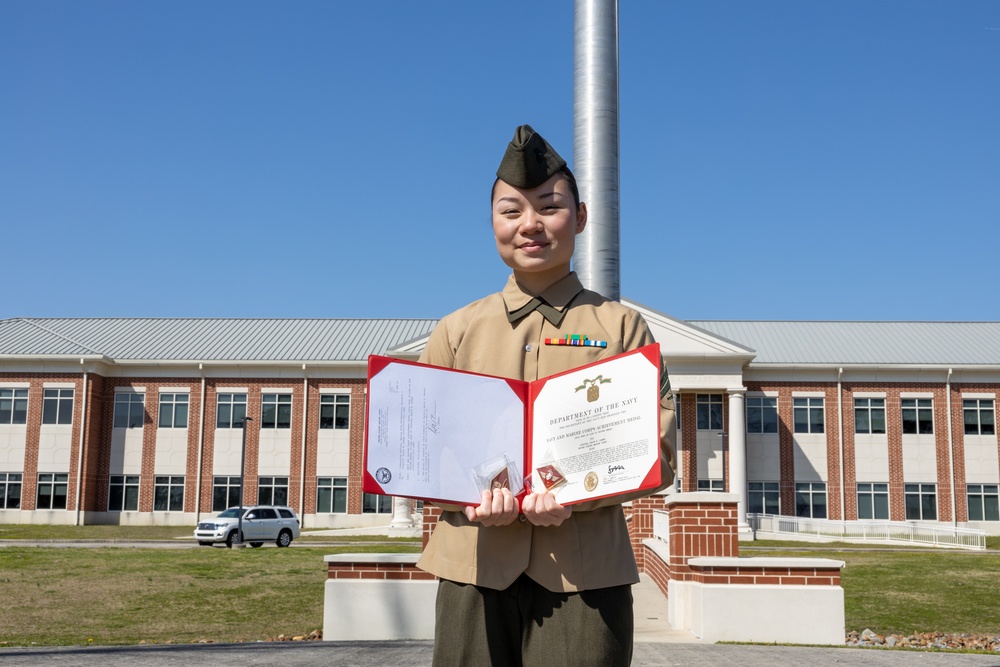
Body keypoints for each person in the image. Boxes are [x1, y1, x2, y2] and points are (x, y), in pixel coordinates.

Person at [417, 124, 677, 667]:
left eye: (549, 206)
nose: (529, 225)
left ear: (580, 218)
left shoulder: (622, 329)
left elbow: (658, 450)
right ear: (492, 223)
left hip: (584, 576)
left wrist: (576, 494)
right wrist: (466, 496)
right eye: (511, 211)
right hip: (473, 568)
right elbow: (421, 450)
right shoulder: (456, 331)